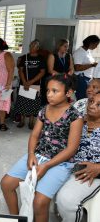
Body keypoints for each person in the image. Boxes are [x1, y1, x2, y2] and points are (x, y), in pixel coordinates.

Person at [0, 74, 83, 222]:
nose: (49, 95)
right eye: (47, 90)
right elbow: (34, 136)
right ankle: (15, 218)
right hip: (38, 155)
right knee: (6, 184)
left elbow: (72, 149)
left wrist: (47, 166)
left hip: (60, 162)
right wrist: (31, 154)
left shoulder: (75, 116)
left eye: (55, 91)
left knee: (39, 202)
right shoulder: (44, 110)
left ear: (68, 93)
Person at [56, 92, 100, 222]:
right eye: (91, 101)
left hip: (92, 174)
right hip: (69, 166)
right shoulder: (78, 121)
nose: (92, 106)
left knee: (66, 199)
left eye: (98, 104)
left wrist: (98, 167)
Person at [14, 40, 46, 129]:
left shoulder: (41, 58)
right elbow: (20, 70)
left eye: (34, 46)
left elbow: (42, 72)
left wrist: (30, 82)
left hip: (35, 84)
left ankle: (31, 122)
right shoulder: (24, 58)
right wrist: (24, 82)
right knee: (23, 102)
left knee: (34, 104)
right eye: (31, 45)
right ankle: (22, 121)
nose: (31, 48)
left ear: (38, 48)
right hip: (24, 84)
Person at [73, 35, 100, 100]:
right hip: (81, 78)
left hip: (87, 79)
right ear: (91, 43)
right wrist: (92, 65)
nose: (96, 47)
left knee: (86, 97)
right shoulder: (79, 52)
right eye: (96, 45)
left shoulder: (87, 51)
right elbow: (77, 67)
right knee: (81, 98)